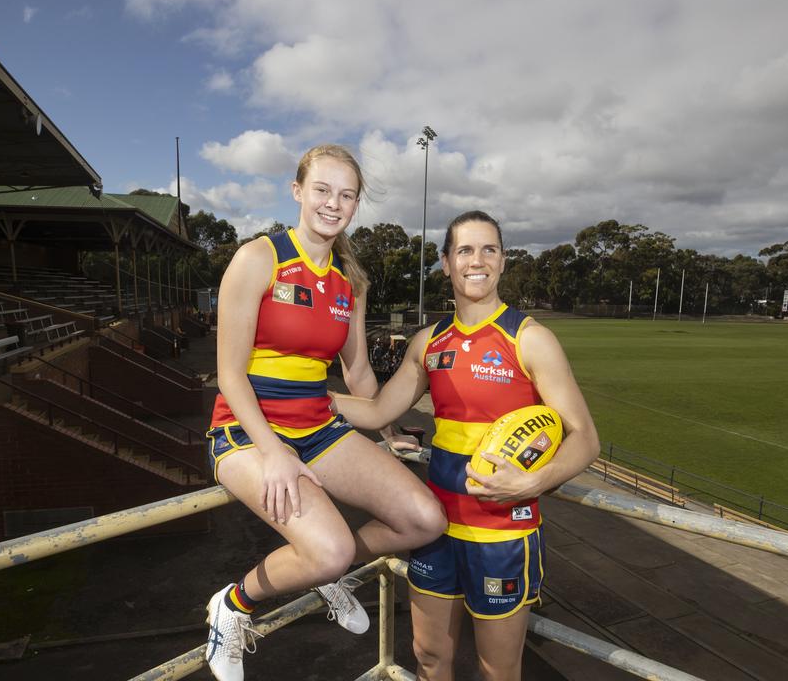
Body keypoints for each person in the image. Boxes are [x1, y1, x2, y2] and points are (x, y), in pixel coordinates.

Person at [203, 145, 447, 681]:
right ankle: (231, 608)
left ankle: (323, 571)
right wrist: (274, 453)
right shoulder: (258, 258)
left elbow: (358, 375)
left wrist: (385, 433)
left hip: (319, 428)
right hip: (246, 432)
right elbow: (230, 375)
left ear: (356, 205)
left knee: (424, 519)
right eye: (322, 190)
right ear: (297, 191)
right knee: (332, 548)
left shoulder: (348, 280)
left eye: (346, 195)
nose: (333, 203)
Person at [334, 210, 600, 681]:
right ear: (445, 263)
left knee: (497, 670)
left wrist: (533, 480)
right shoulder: (429, 342)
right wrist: (305, 395)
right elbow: (377, 412)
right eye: (465, 250)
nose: (477, 261)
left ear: (502, 260)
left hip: (503, 538)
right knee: (429, 657)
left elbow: (584, 437)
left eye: (489, 249)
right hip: (435, 531)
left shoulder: (530, 339)